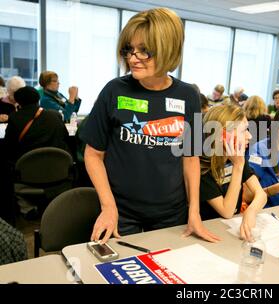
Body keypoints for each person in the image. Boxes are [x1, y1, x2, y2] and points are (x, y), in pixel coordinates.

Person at [80, 8, 219, 244]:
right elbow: (93, 154)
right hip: (120, 212)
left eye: (144, 51)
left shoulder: (188, 96)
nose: (133, 58)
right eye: (129, 49)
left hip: (171, 213)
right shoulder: (114, 91)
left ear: (168, 50)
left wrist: (194, 211)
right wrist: (108, 206)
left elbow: (191, 158)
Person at [200, 104, 267, 240]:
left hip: (230, 229)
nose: (249, 135)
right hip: (210, 231)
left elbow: (261, 194)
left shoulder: (236, 158)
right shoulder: (203, 167)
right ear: (223, 136)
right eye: (244, 131)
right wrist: (238, 166)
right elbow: (227, 211)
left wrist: (251, 211)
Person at [4, 86, 69, 163]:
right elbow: (66, 137)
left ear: (18, 102)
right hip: (57, 165)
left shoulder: (15, 118)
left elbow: (9, 145)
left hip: (27, 167)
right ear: (38, 99)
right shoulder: (55, 115)